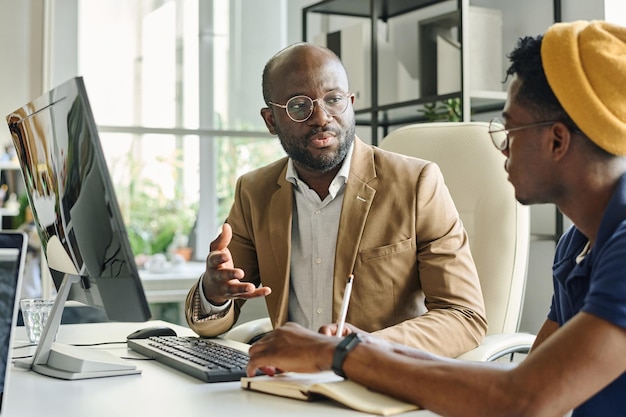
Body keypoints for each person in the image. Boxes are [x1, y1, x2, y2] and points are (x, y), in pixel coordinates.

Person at [246, 20, 626, 417]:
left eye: (510, 130)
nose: (502, 149)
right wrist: (364, 349)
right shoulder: (578, 244)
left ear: (557, 140)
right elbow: (530, 378)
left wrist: (339, 353)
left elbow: (524, 399)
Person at [184, 42, 487, 356]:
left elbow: (464, 317)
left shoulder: (416, 184)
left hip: (379, 380)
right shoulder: (254, 191)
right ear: (271, 120)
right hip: (289, 381)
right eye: (299, 106)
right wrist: (214, 292)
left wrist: (363, 346)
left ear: (351, 103)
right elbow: (209, 322)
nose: (321, 117)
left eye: (334, 99)